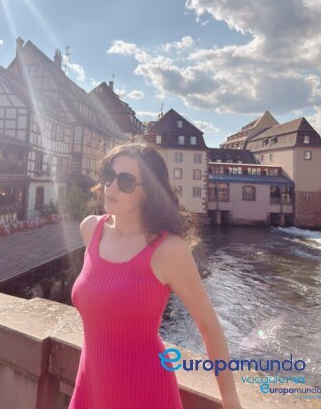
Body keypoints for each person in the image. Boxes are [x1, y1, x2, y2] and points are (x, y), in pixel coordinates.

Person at [70, 142, 242, 409]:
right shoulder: (90, 229)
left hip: (146, 392)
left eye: (125, 181)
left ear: (147, 192)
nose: (111, 187)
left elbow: (209, 326)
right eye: (109, 176)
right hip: (91, 388)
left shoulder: (168, 250)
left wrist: (230, 400)